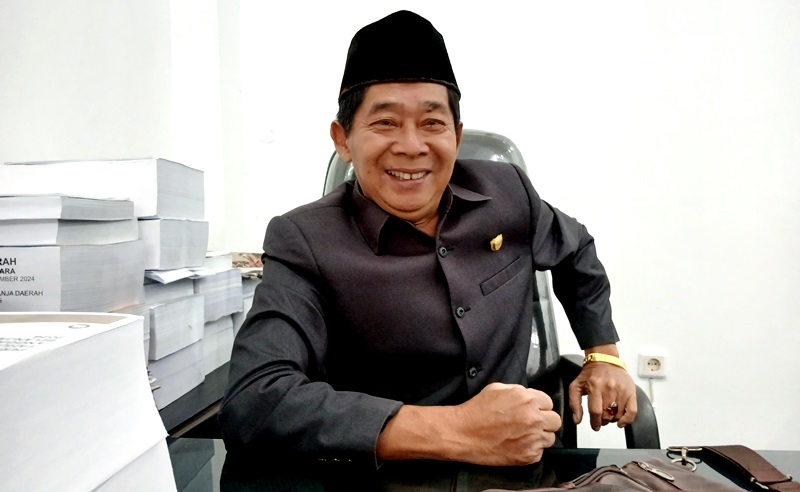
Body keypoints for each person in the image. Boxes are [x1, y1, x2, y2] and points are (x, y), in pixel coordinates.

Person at [219, 10, 636, 468]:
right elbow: (255, 402)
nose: (412, 145)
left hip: (521, 471)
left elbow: (576, 251)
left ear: (456, 136)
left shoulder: (509, 194)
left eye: (432, 123)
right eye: (385, 122)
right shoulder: (305, 240)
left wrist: (603, 353)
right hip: (383, 477)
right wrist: (460, 431)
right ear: (343, 139)